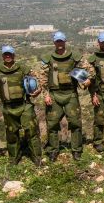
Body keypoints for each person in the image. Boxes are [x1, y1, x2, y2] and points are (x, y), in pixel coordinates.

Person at [36, 31, 92, 161]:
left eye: (61, 41)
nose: (60, 43)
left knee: (75, 122)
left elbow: (89, 69)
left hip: (71, 94)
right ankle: (53, 150)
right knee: (52, 124)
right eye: (57, 41)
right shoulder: (48, 58)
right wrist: (46, 95)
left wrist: (88, 79)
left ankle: (76, 150)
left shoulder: (74, 56)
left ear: (65, 41)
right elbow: (42, 78)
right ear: (54, 42)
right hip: (54, 95)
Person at [0, 45, 42, 165]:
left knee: (31, 132)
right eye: (5, 54)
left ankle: (36, 157)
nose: (8, 56)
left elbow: (38, 79)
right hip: (8, 107)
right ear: (2, 56)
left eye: (10, 54)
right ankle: (14, 158)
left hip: (24, 105)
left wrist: (37, 90)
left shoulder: (23, 69)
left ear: (14, 55)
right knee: (12, 134)